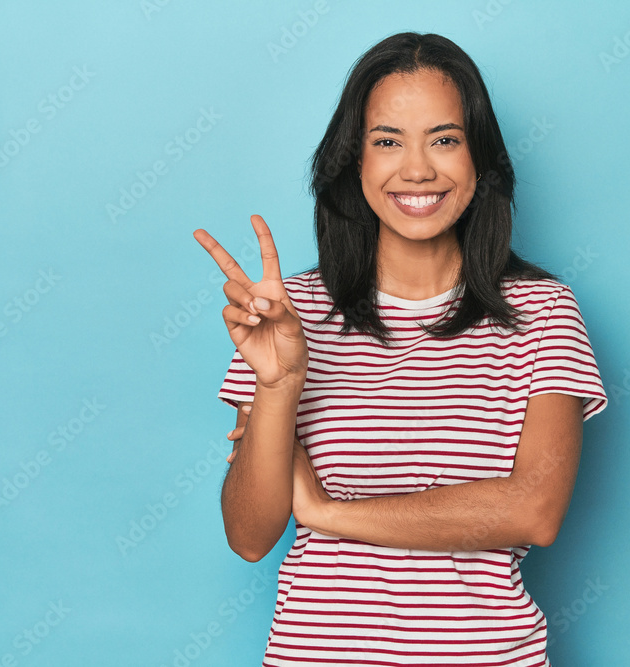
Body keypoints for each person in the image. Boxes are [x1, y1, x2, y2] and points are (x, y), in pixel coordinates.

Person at [193, 31, 607, 667]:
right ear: (353, 161)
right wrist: (278, 387)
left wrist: (326, 512)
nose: (417, 169)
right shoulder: (289, 314)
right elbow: (251, 536)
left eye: (444, 139)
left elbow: (533, 510)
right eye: (387, 141)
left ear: (480, 161)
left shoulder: (543, 312)